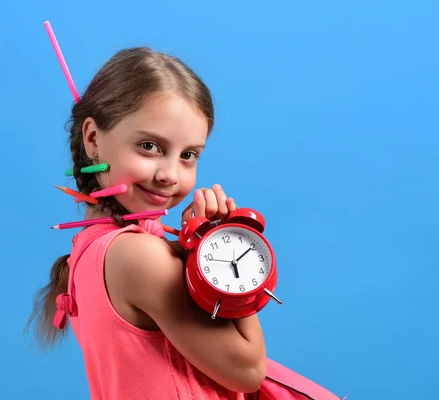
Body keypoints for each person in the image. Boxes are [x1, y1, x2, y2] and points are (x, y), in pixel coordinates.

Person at [28, 47, 267, 399]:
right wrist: (225, 242)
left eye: (188, 155)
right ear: (93, 138)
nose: (169, 175)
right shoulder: (138, 255)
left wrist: (196, 250)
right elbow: (247, 371)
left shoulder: (89, 249)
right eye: (149, 146)